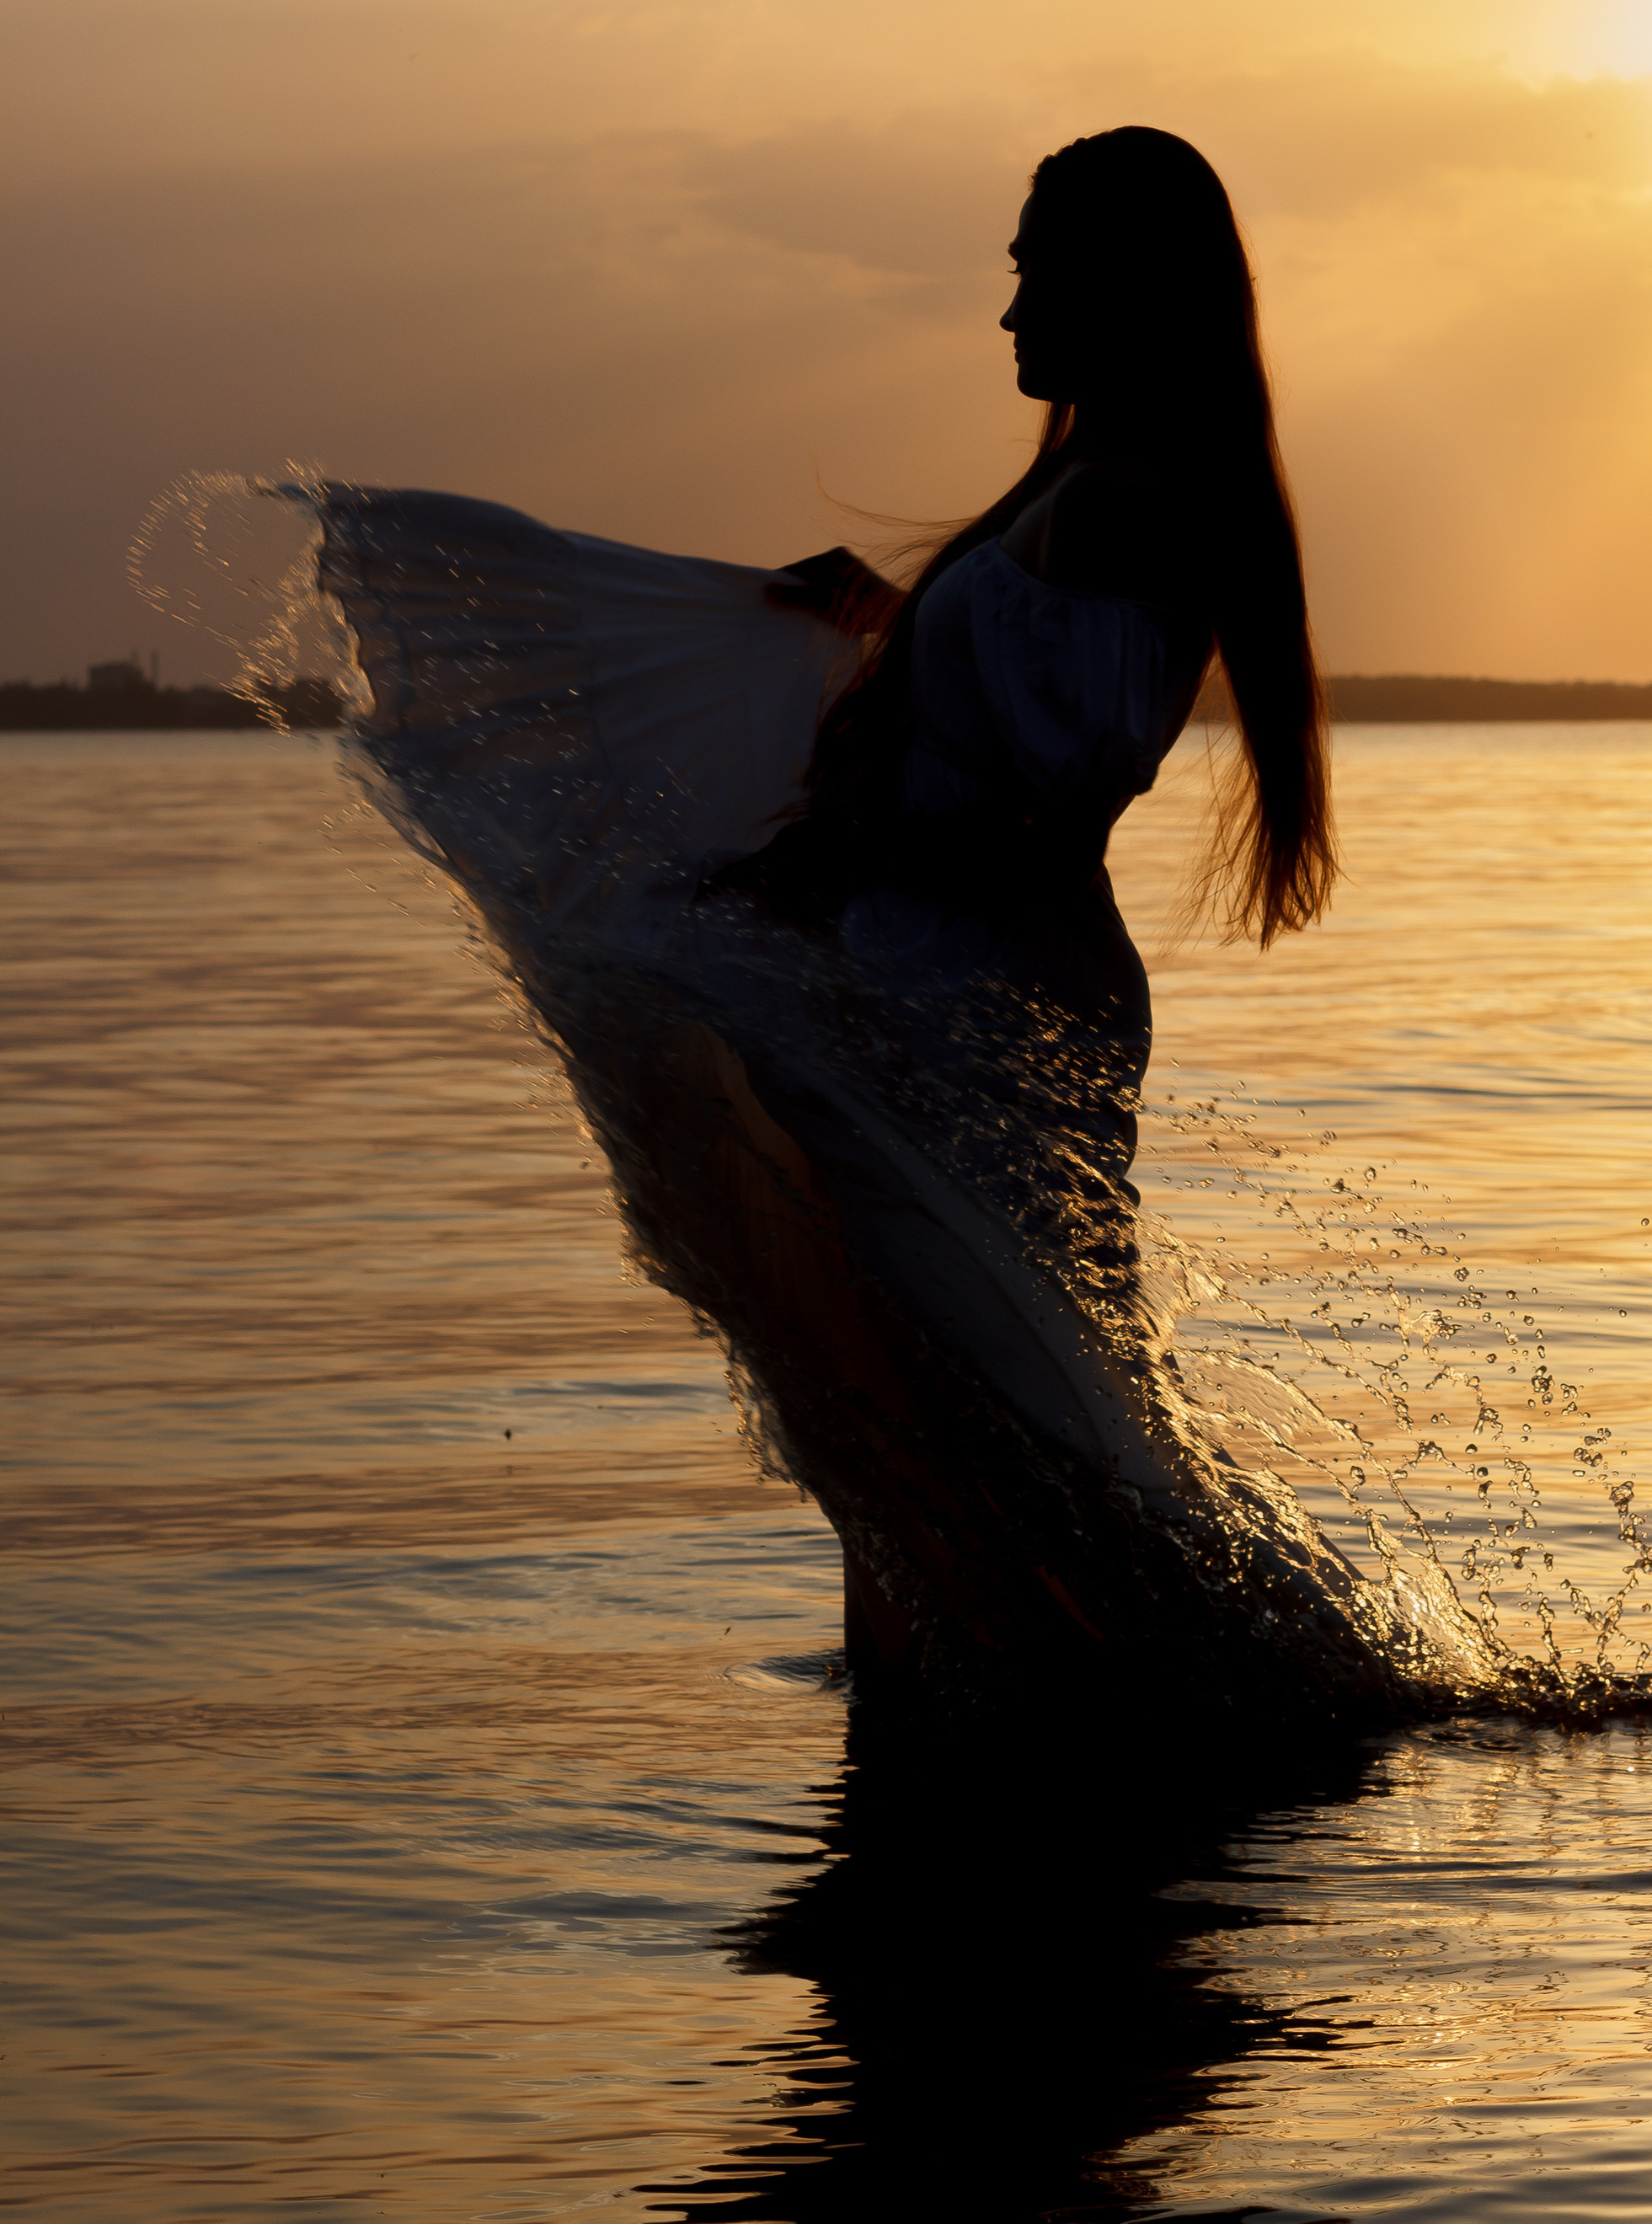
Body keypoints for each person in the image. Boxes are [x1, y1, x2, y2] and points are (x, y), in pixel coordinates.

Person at [302, 127, 1470, 1734]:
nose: (1005, 313)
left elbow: (1050, 790)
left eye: (1030, 269)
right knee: (909, 1386)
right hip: (937, 991)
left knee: (982, 1390)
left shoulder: (1127, 498)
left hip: (982, 1007)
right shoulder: (1083, 481)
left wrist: (817, 861)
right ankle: (965, 1705)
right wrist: (878, 622)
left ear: (1116, 283)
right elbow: (1006, 707)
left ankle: (1152, 1707)